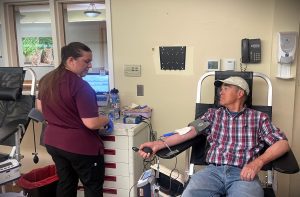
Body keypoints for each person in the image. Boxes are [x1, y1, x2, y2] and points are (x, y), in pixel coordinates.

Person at [138, 76, 290, 197]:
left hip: (243, 174)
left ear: (240, 93)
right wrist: (157, 144)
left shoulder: (258, 118)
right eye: (220, 89)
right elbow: (188, 131)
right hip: (212, 173)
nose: (220, 92)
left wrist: (257, 163)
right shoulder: (213, 114)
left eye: (226, 88)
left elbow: (282, 143)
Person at [37, 42, 112, 197]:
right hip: (81, 147)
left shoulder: (46, 80)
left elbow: (41, 109)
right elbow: (91, 123)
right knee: (92, 186)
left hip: (53, 143)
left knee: (66, 183)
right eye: (86, 61)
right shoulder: (80, 86)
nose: (90, 65)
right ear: (71, 60)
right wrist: (106, 119)